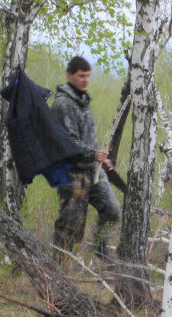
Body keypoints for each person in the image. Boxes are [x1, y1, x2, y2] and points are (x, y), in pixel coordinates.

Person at [51, 56, 121, 260]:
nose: (85, 80)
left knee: (112, 209)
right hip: (72, 173)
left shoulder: (83, 101)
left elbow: (88, 138)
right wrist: (93, 154)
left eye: (88, 76)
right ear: (69, 75)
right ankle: (55, 270)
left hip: (93, 169)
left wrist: (101, 157)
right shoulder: (63, 104)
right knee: (70, 228)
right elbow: (69, 142)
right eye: (81, 76)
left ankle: (99, 246)